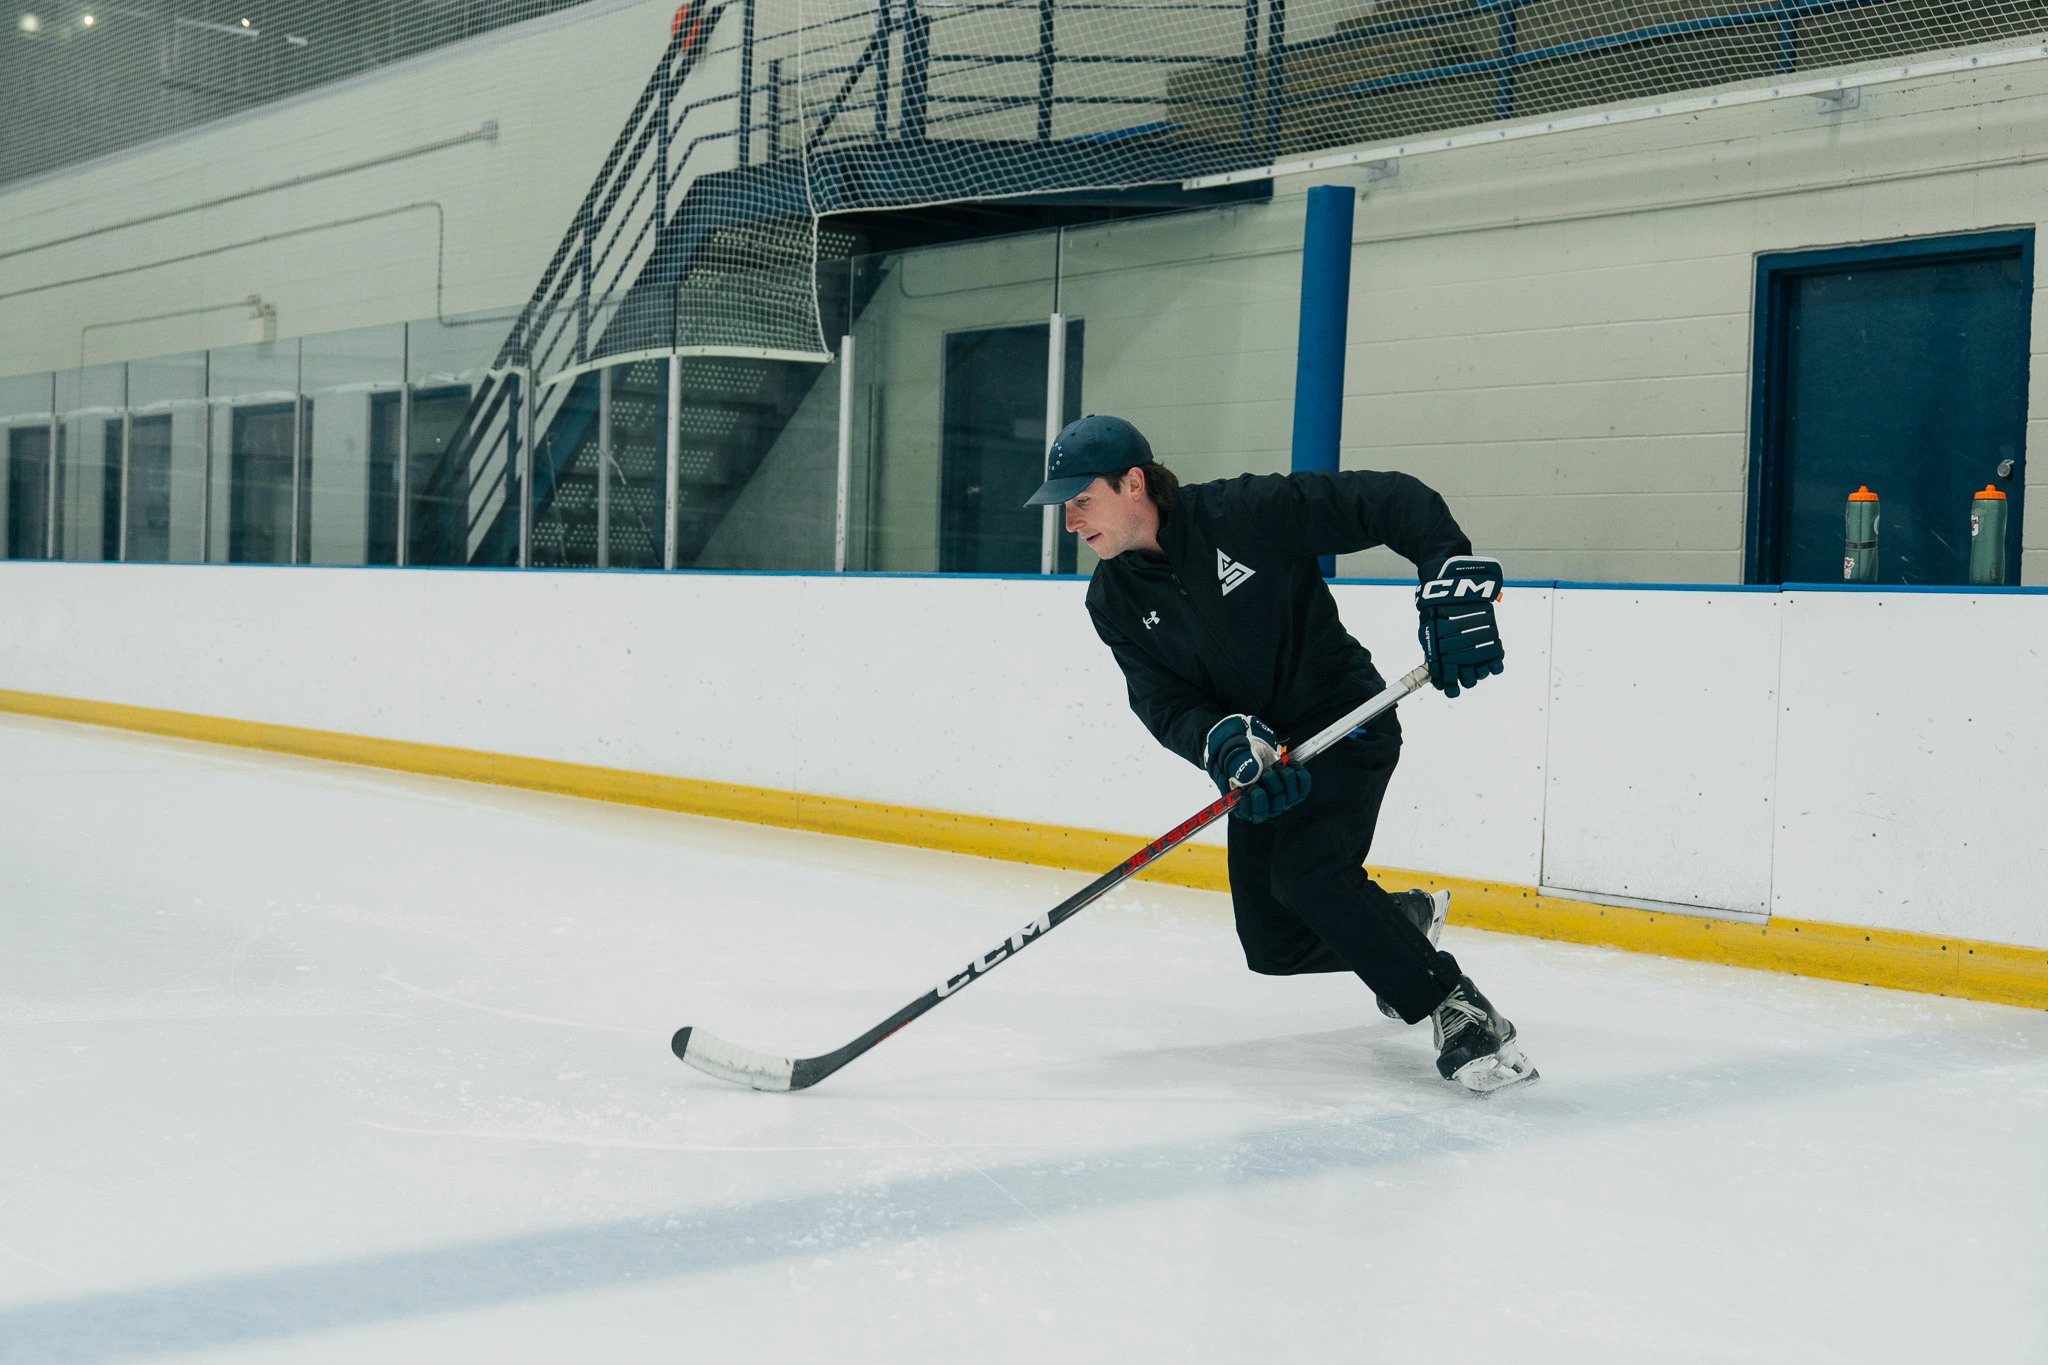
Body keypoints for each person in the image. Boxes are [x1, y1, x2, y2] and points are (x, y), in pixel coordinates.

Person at [1026, 414, 1536, 1093]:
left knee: (1307, 875)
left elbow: (1390, 499)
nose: (1070, 522)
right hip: (1267, 756)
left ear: (1134, 484)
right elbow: (1164, 701)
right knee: (1273, 942)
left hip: (1345, 720)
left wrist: (1446, 570)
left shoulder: (1242, 513)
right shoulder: (1111, 600)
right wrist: (1223, 742)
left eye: (1081, 500)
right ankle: (1403, 920)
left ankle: (1456, 1006)